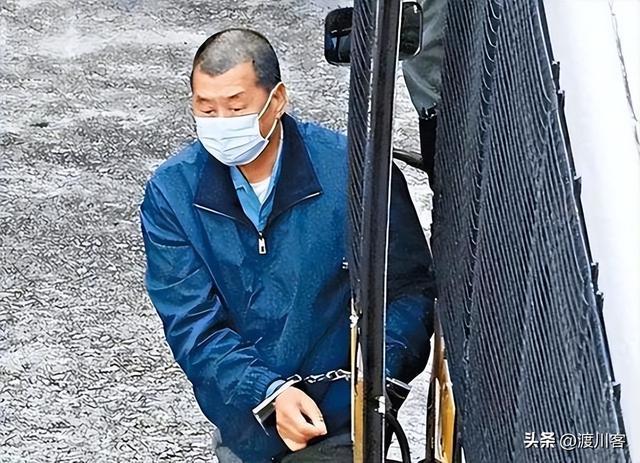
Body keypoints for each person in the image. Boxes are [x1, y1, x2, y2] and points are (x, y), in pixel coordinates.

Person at [139, 28, 436, 462]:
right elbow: (192, 323)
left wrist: (377, 379)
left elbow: (408, 290)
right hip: (246, 417)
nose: (221, 123)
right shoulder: (172, 193)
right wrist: (267, 393)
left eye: (235, 107)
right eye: (206, 109)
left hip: (342, 419)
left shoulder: (356, 173)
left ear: (276, 100)